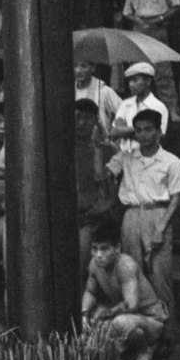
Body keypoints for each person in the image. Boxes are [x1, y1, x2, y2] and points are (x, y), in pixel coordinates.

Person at [108, 108, 180, 332]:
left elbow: (176, 198)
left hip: (158, 214)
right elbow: (101, 173)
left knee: (160, 276)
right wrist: (120, 135)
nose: (144, 135)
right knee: (133, 274)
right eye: (139, 130)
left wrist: (161, 228)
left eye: (148, 130)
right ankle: (139, 331)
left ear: (159, 131)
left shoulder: (171, 161)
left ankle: (165, 334)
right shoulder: (126, 157)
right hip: (132, 214)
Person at [81, 220, 165, 360]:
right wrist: (84, 314)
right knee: (94, 322)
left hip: (150, 320)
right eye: (94, 249)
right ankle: (126, 350)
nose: (98, 255)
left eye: (104, 249)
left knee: (119, 323)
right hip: (125, 315)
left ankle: (145, 350)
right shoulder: (95, 264)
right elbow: (90, 292)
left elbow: (131, 305)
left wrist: (105, 315)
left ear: (117, 248)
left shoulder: (126, 266)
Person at [121, 0, 180, 120]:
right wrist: (138, 21)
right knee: (138, 70)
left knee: (163, 71)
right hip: (140, 27)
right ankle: (138, 109)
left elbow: (176, 6)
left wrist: (160, 18)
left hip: (159, 26)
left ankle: (172, 109)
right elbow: (127, 12)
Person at [74, 98, 115, 274]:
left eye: (87, 118)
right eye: (77, 117)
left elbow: (107, 185)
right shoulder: (62, 147)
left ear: (95, 121)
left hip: (91, 218)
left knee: (82, 263)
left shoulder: (109, 150)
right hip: (66, 215)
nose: (82, 123)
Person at [108, 63, 168, 157]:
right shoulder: (126, 104)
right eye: (129, 81)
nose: (131, 84)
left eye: (135, 80)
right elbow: (114, 132)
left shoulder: (158, 107)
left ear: (148, 81)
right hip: (124, 157)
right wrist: (142, 130)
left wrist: (124, 130)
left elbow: (155, 138)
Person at [74, 62, 122, 136]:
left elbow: (123, 112)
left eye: (83, 66)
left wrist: (112, 129)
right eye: (75, 66)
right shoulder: (69, 91)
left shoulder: (104, 91)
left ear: (93, 68)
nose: (78, 71)